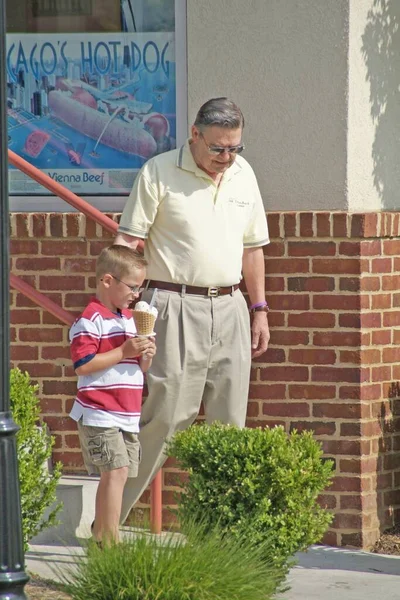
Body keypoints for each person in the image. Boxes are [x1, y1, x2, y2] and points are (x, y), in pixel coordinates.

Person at [115, 97, 270, 524]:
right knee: (164, 420)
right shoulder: (159, 171)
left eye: (235, 148)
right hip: (172, 305)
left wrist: (259, 309)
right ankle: (108, 524)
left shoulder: (243, 174)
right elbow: (128, 244)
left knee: (230, 425)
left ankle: (223, 537)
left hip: (233, 307)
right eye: (218, 148)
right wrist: (118, 308)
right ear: (194, 135)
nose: (227, 158)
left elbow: (253, 249)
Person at [69, 244, 156, 545]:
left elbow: (140, 368)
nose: (137, 294)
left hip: (127, 413)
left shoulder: (131, 319)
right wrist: (123, 350)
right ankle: (110, 541)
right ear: (108, 280)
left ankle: (100, 533)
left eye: (140, 287)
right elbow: (83, 365)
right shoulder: (90, 320)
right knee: (115, 470)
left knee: (119, 474)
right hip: (99, 410)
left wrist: (145, 354)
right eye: (132, 287)